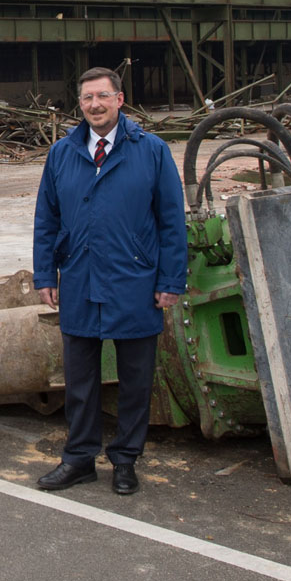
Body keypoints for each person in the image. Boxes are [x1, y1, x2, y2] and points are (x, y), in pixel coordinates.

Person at [31, 68, 187, 496]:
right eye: (86, 98)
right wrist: (45, 273)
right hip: (79, 278)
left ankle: (125, 460)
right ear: (79, 104)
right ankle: (79, 459)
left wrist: (171, 279)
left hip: (133, 280)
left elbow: (172, 222)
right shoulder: (63, 153)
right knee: (79, 380)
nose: (94, 105)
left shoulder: (151, 151)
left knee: (136, 380)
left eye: (102, 96)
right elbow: (46, 219)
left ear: (120, 100)